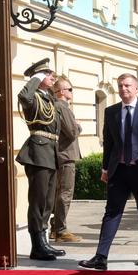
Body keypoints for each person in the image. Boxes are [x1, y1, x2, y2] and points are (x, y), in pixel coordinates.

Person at [79, 73, 138, 270]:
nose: (123, 89)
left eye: (128, 85)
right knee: (111, 212)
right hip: (118, 170)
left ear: (136, 88)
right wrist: (105, 169)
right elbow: (109, 143)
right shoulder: (111, 112)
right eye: (120, 86)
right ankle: (101, 256)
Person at [16, 58, 66, 261]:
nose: (52, 77)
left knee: (48, 200)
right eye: (48, 73)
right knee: (37, 201)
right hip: (38, 152)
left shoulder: (48, 98)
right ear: (38, 76)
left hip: (50, 152)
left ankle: (43, 241)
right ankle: (37, 244)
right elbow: (24, 97)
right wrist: (35, 79)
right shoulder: (33, 95)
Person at [50, 77, 83, 242]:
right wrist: (78, 125)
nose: (71, 92)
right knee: (65, 193)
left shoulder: (57, 106)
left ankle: (55, 227)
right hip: (66, 155)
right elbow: (72, 132)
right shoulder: (62, 107)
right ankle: (60, 230)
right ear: (61, 91)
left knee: (59, 192)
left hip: (61, 154)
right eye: (69, 89)